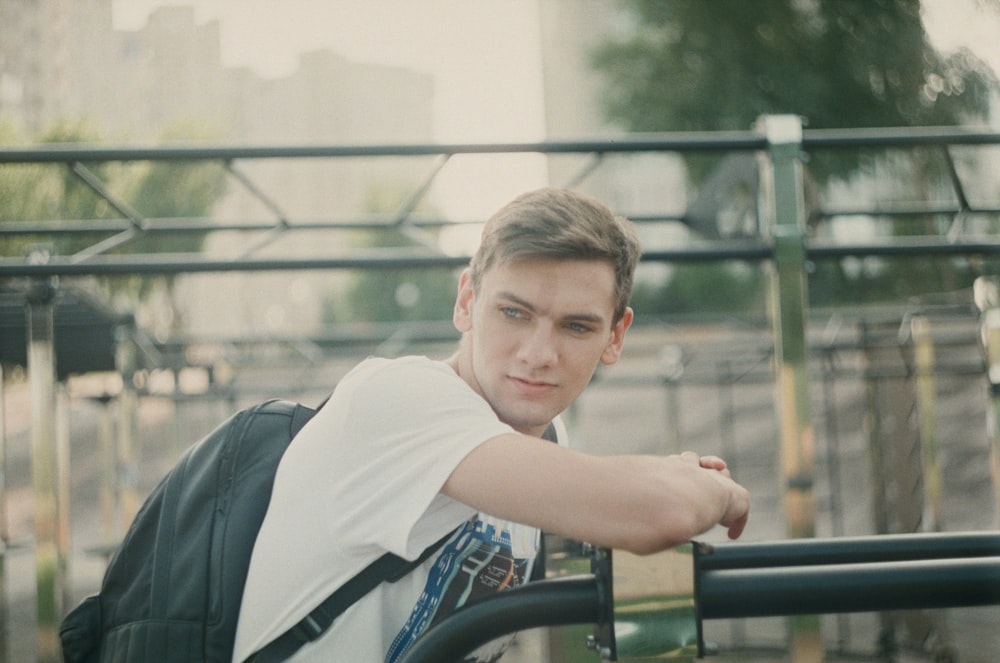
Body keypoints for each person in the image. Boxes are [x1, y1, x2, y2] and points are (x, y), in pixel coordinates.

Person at [232, 187, 750, 663]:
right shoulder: (399, 398)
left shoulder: (546, 434)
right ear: (466, 302)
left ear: (616, 336)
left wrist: (666, 485)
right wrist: (712, 491)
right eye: (514, 313)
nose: (539, 354)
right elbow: (659, 511)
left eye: (576, 326)